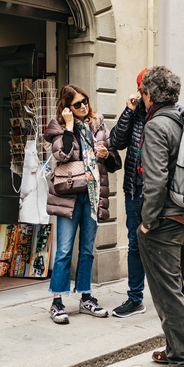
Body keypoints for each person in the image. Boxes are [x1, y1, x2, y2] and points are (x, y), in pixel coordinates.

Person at [109, 69, 184, 319]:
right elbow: (117, 141)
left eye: (143, 90)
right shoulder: (138, 115)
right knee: (136, 246)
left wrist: (148, 221)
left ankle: (172, 306)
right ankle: (136, 298)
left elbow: (160, 175)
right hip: (135, 190)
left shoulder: (169, 117)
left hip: (162, 199)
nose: (141, 95)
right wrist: (128, 112)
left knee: (164, 254)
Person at [137, 67, 184, 367]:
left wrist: (147, 221)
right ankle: (176, 348)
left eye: (143, 93)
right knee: (177, 287)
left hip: (164, 222)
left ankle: (182, 364)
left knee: (166, 292)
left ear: (150, 95)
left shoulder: (157, 126)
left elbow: (155, 179)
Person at [44, 84, 112, 324]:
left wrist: (106, 155)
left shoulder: (98, 123)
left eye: (85, 101)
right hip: (68, 197)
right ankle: (57, 302)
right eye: (77, 104)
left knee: (86, 250)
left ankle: (86, 298)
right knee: (64, 250)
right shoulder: (56, 127)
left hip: (92, 195)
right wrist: (70, 127)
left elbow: (113, 158)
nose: (84, 106)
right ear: (66, 108)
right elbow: (62, 154)